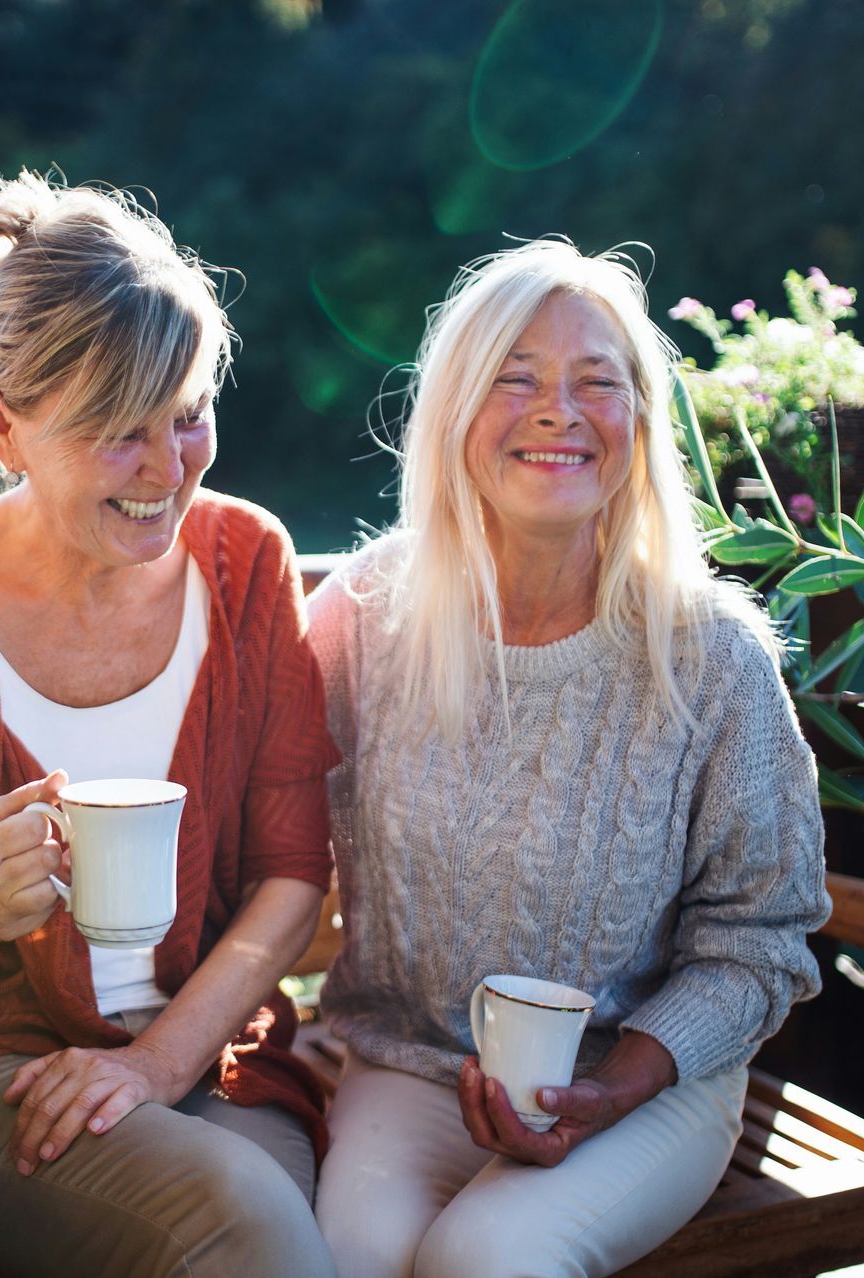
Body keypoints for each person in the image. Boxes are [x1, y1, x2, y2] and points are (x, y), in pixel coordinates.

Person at [0, 171, 339, 1278]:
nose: (170, 472)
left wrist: (156, 1065)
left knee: (279, 1231)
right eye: (122, 433)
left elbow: (291, 879)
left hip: (210, 1062)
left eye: (191, 414)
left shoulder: (248, 560)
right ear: (3, 424)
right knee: (246, 1230)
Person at [308, 239, 831, 1278]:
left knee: (488, 1259)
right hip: (410, 1063)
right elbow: (253, 823)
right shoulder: (366, 614)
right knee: (344, 1259)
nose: (560, 409)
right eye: (516, 378)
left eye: (599, 382)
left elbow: (763, 939)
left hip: (650, 1082)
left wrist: (617, 1088)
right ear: (454, 410)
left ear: (640, 426)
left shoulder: (712, 658)